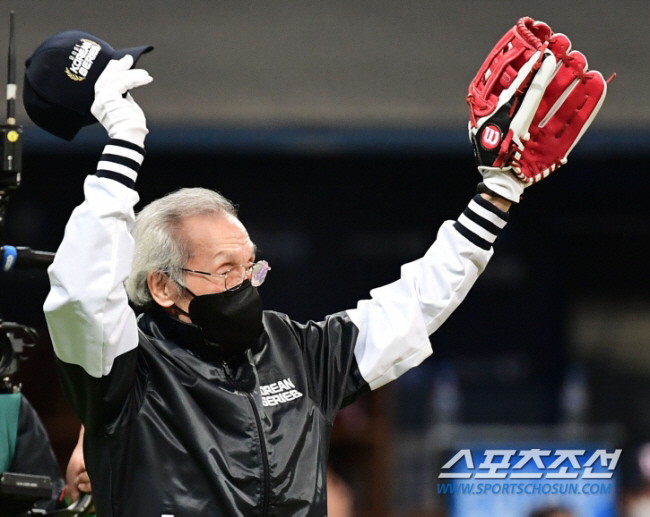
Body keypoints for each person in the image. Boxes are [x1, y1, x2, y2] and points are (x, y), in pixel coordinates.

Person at [44, 54, 555, 517]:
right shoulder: (126, 372)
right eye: (226, 270)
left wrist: (497, 195)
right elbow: (79, 297)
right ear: (163, 287)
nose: (246, 284)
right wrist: (124, 144)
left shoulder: (296, 351)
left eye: (252, 267)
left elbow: (415, 304)